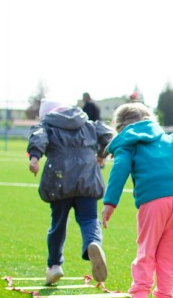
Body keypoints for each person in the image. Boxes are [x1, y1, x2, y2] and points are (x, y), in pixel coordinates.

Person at [102, 102, 173, 298]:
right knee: (170, 258)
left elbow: (120, 169)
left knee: (146, 252)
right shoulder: (172, 139)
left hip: (153, 201)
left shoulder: (129, 142)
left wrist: (110, 202)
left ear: (120, 126)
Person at [27, 98, 113, 285]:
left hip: (59, 180)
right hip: (88, 178)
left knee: (58, 224)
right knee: (89, 219)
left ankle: (54, 266)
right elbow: (107, 134)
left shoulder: (47, 125)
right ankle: (93, 243)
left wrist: (34, 157)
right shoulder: (86, 122)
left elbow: (38, 136)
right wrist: (101, 154)